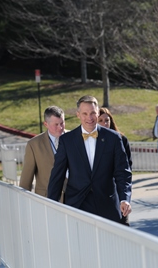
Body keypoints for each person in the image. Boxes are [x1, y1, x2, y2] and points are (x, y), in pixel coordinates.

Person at [47, 95, 132, 223]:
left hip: (107, 206)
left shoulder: (113, 138)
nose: (89, 118)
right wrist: (51, 205)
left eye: (93, 113)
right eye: (85, 113)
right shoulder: (67, 141)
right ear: (78, 115)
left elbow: (122, 172)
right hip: (77, 205)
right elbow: (57, 175)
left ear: (98, 113)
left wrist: (124, 198)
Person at [19, 106, 65, 197]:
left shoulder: (75, 138)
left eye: (62, 123)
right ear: (46, 124)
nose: (60, 128)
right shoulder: (34, 145)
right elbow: (26, 181)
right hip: (47, 200)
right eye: (56, 124)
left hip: (73, 201)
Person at [98, 107, 132, 226]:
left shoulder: (121, 139)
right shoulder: (92, 142)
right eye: (100, 120)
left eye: (107, 120)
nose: (104, 123)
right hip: (101, 193)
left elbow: (127, 168)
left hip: (119, 190)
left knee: (122, 224)